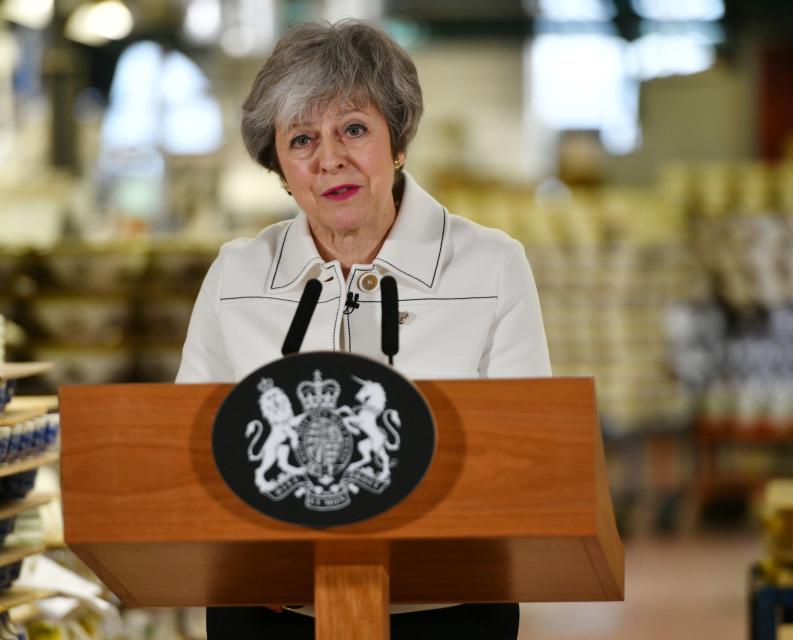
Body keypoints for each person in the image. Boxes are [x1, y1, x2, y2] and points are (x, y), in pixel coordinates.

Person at [177, 18, 550, 640]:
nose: (330, 159)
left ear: (398, 140)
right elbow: (188, 456)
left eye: (354, 129)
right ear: (278, 162)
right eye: (301, 140)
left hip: (447, 614)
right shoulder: (234, 274)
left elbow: (526, 459)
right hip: (269, 613)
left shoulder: (492, 265)